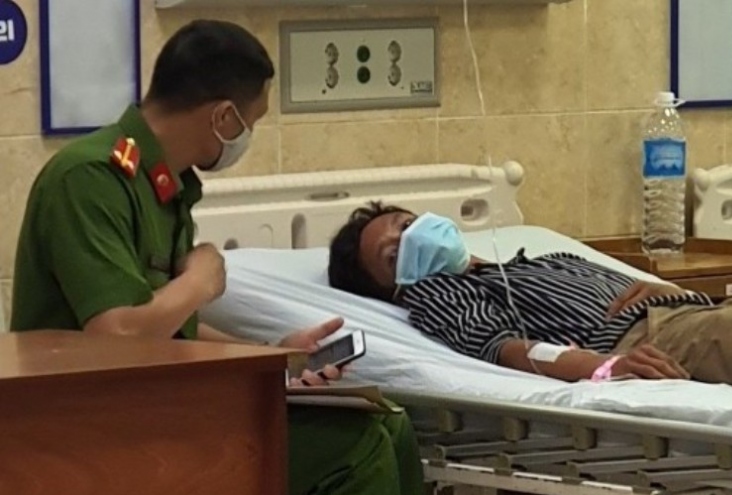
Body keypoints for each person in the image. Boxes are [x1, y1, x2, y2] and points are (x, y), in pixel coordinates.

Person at [10, 21, 423, 495]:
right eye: (252, 122)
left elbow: (170, 328)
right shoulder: (90, 179)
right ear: (224, 117)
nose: (247, 136)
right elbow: (117, 336)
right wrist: (199, 282)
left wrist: (271, 356)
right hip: (80, 432)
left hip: (153, 408)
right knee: (356, 447)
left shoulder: (166, 185)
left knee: (392, 424)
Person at [328, 201, 732, 394]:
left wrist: (674, 291)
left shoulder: (527, 260)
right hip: (658, 337)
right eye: (394, 253)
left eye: (406, 224)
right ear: (393, 285)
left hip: (703, 312)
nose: (412, 238)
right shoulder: (440, 293)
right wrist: (606, 367)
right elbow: (508, 349)